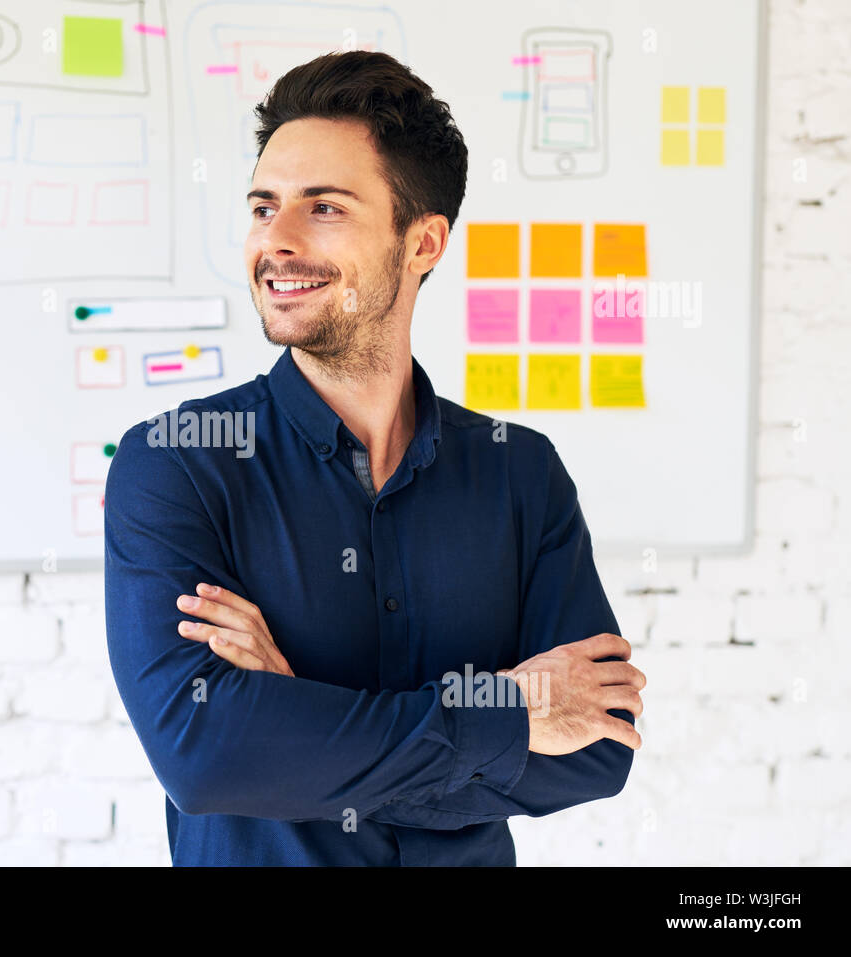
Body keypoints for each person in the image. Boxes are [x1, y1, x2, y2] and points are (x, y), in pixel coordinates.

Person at [103, 50, 645, 866]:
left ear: (422, 241)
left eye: (323, 208)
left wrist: (298, 723)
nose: (276, 242)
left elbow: (599, 751)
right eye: (263, 206)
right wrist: (510, 711)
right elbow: (208, 756)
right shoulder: (177, 466)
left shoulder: (520, 475)